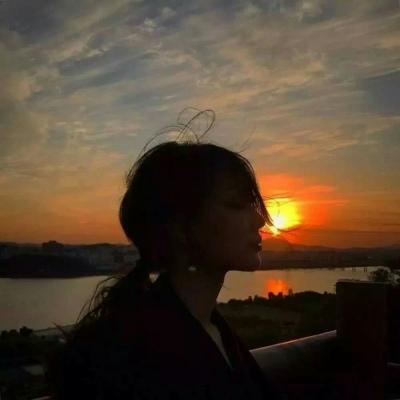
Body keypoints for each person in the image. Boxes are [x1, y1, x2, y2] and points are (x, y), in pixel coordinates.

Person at [49, 111, 282, 399]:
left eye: (253, 204)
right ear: (180, 228)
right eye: (236, 204)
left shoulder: (208, 330)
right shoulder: (131, 359)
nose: (259, 220)